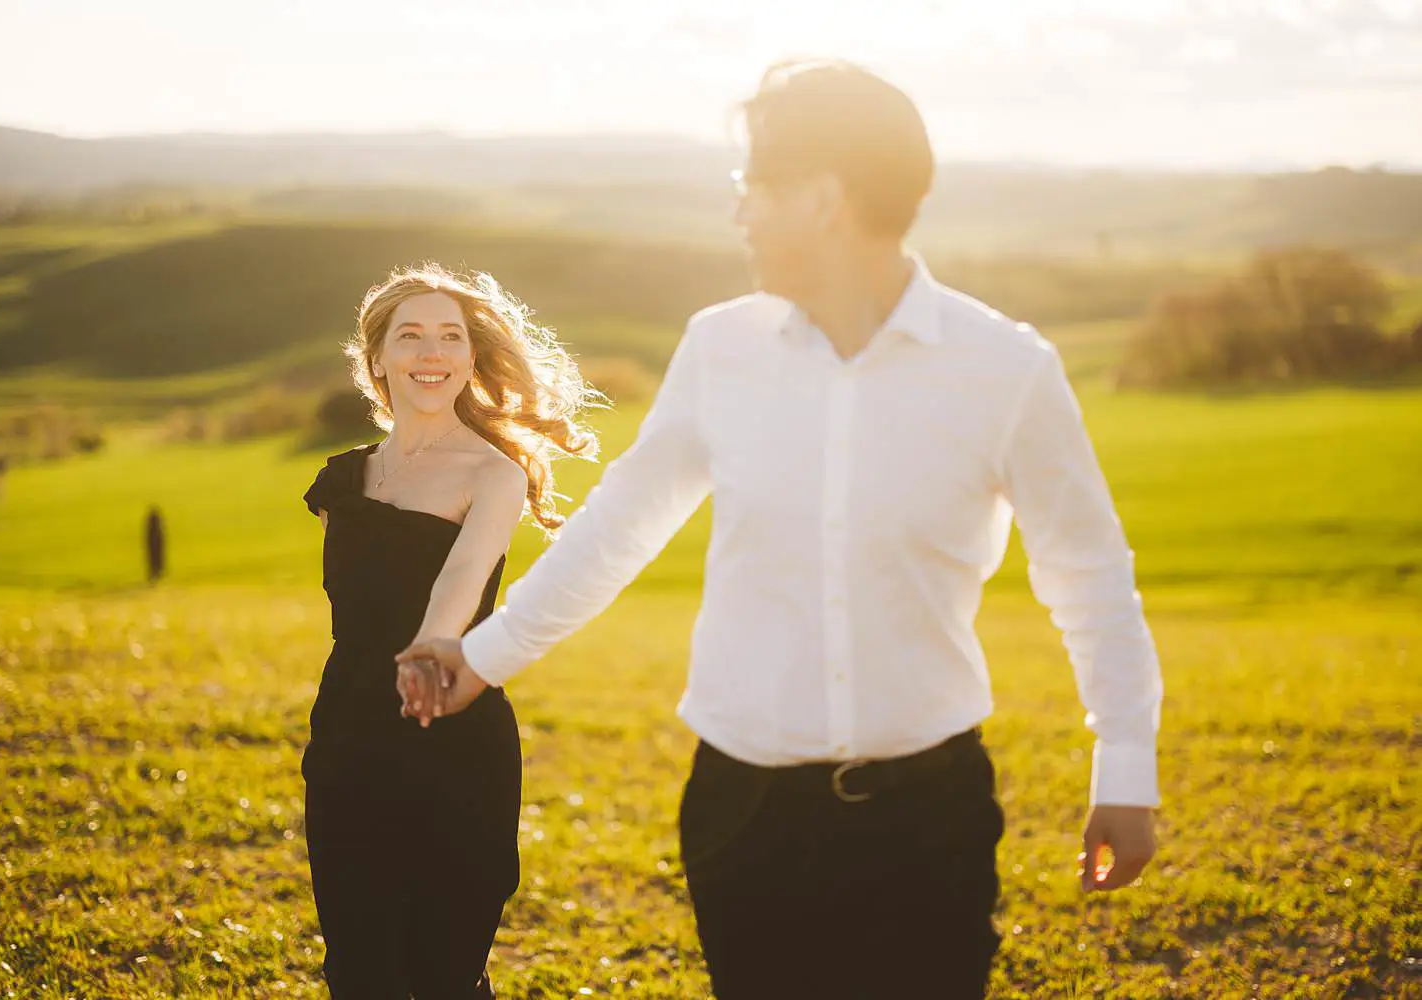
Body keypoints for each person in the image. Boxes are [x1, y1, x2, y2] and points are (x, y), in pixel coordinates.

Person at [399, 59, 1163, 999]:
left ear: (823, 199)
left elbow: (1090, 579)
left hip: (931, 816)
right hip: (743, 814)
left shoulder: (1005, 370)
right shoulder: (720, 351)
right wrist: (482, 655)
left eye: (753, 185)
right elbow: (620, 528)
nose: (739, 212)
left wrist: (1124, 767)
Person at [301, 263, 599, 998]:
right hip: (348, 734)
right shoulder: (343, 482)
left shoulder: (494, 474)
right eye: (410, 336)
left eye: (449, 337)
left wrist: (432, 645)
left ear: (470, 358)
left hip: (452, 729)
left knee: (445, 973)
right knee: (359, 968)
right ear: (377, 361)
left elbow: (462, 580)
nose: (431, 353)